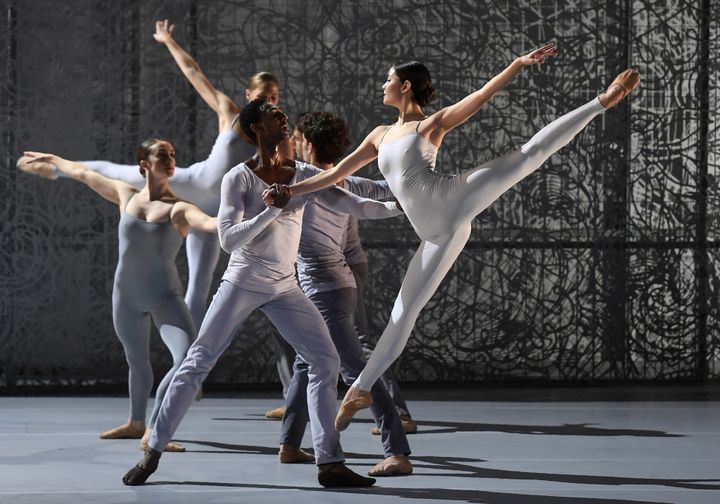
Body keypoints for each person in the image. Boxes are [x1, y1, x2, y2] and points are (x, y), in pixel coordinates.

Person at [275, 43, 641, 429]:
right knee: (403, 313)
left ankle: (602, 101)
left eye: (389, 78)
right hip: (435, 235)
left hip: (452, 198)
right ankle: (360, 389)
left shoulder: (430, 125)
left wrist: (516, 64)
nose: (383, 83)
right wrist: (289, 191)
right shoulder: (379, 135)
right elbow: (333, 176)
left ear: (407, 86)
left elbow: (482, 96)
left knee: (529, 155)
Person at [122, 99, 403, 488]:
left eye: (282, 113)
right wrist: (272, 209)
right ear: (256, 128)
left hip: (284, 286)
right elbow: (227, 239)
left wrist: (402, 207)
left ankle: (330, 463)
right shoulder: (238, 178)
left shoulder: (302, 173)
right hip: (243, 281)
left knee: (325, 361)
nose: (283, 117)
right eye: (274, 115)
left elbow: (354, 204)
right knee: (197, 362)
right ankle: (152, 452)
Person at [21, 139, 217, 451]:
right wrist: (54, 156)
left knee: (186, 359)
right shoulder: (125, 194)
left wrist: (250, 218)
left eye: (173, 155)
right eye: (162, 155)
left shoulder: (180, 208)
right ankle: (136, 423)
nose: (171, 159)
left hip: (165, 297)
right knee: (137, 362)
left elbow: (211, 223)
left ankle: (155, 429)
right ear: (144, 166)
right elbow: (83, 173)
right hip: (125, 297)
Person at [279, 111, 411, 476]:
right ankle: (290, 444)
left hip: (327, 290)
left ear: (307, 144)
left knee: (359, 372)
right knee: (306, 364)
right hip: (327, 287)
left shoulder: (303, 178)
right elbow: (389, 190)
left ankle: (397, 452)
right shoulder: (349, 182)